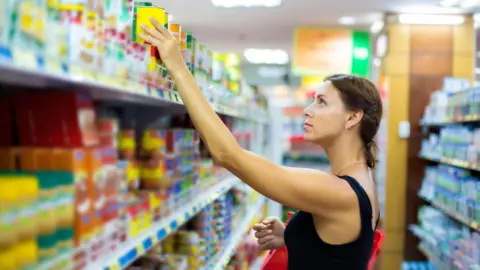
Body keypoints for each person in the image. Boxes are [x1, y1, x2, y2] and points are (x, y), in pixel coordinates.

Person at [139, 18, 382, 270]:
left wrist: (179, 69)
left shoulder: (341, 191)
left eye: (321, 102)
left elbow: (227, 154)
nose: (308, 111)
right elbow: (337, 250)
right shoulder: (356, 179)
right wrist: (293, 236)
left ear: (353, 117)